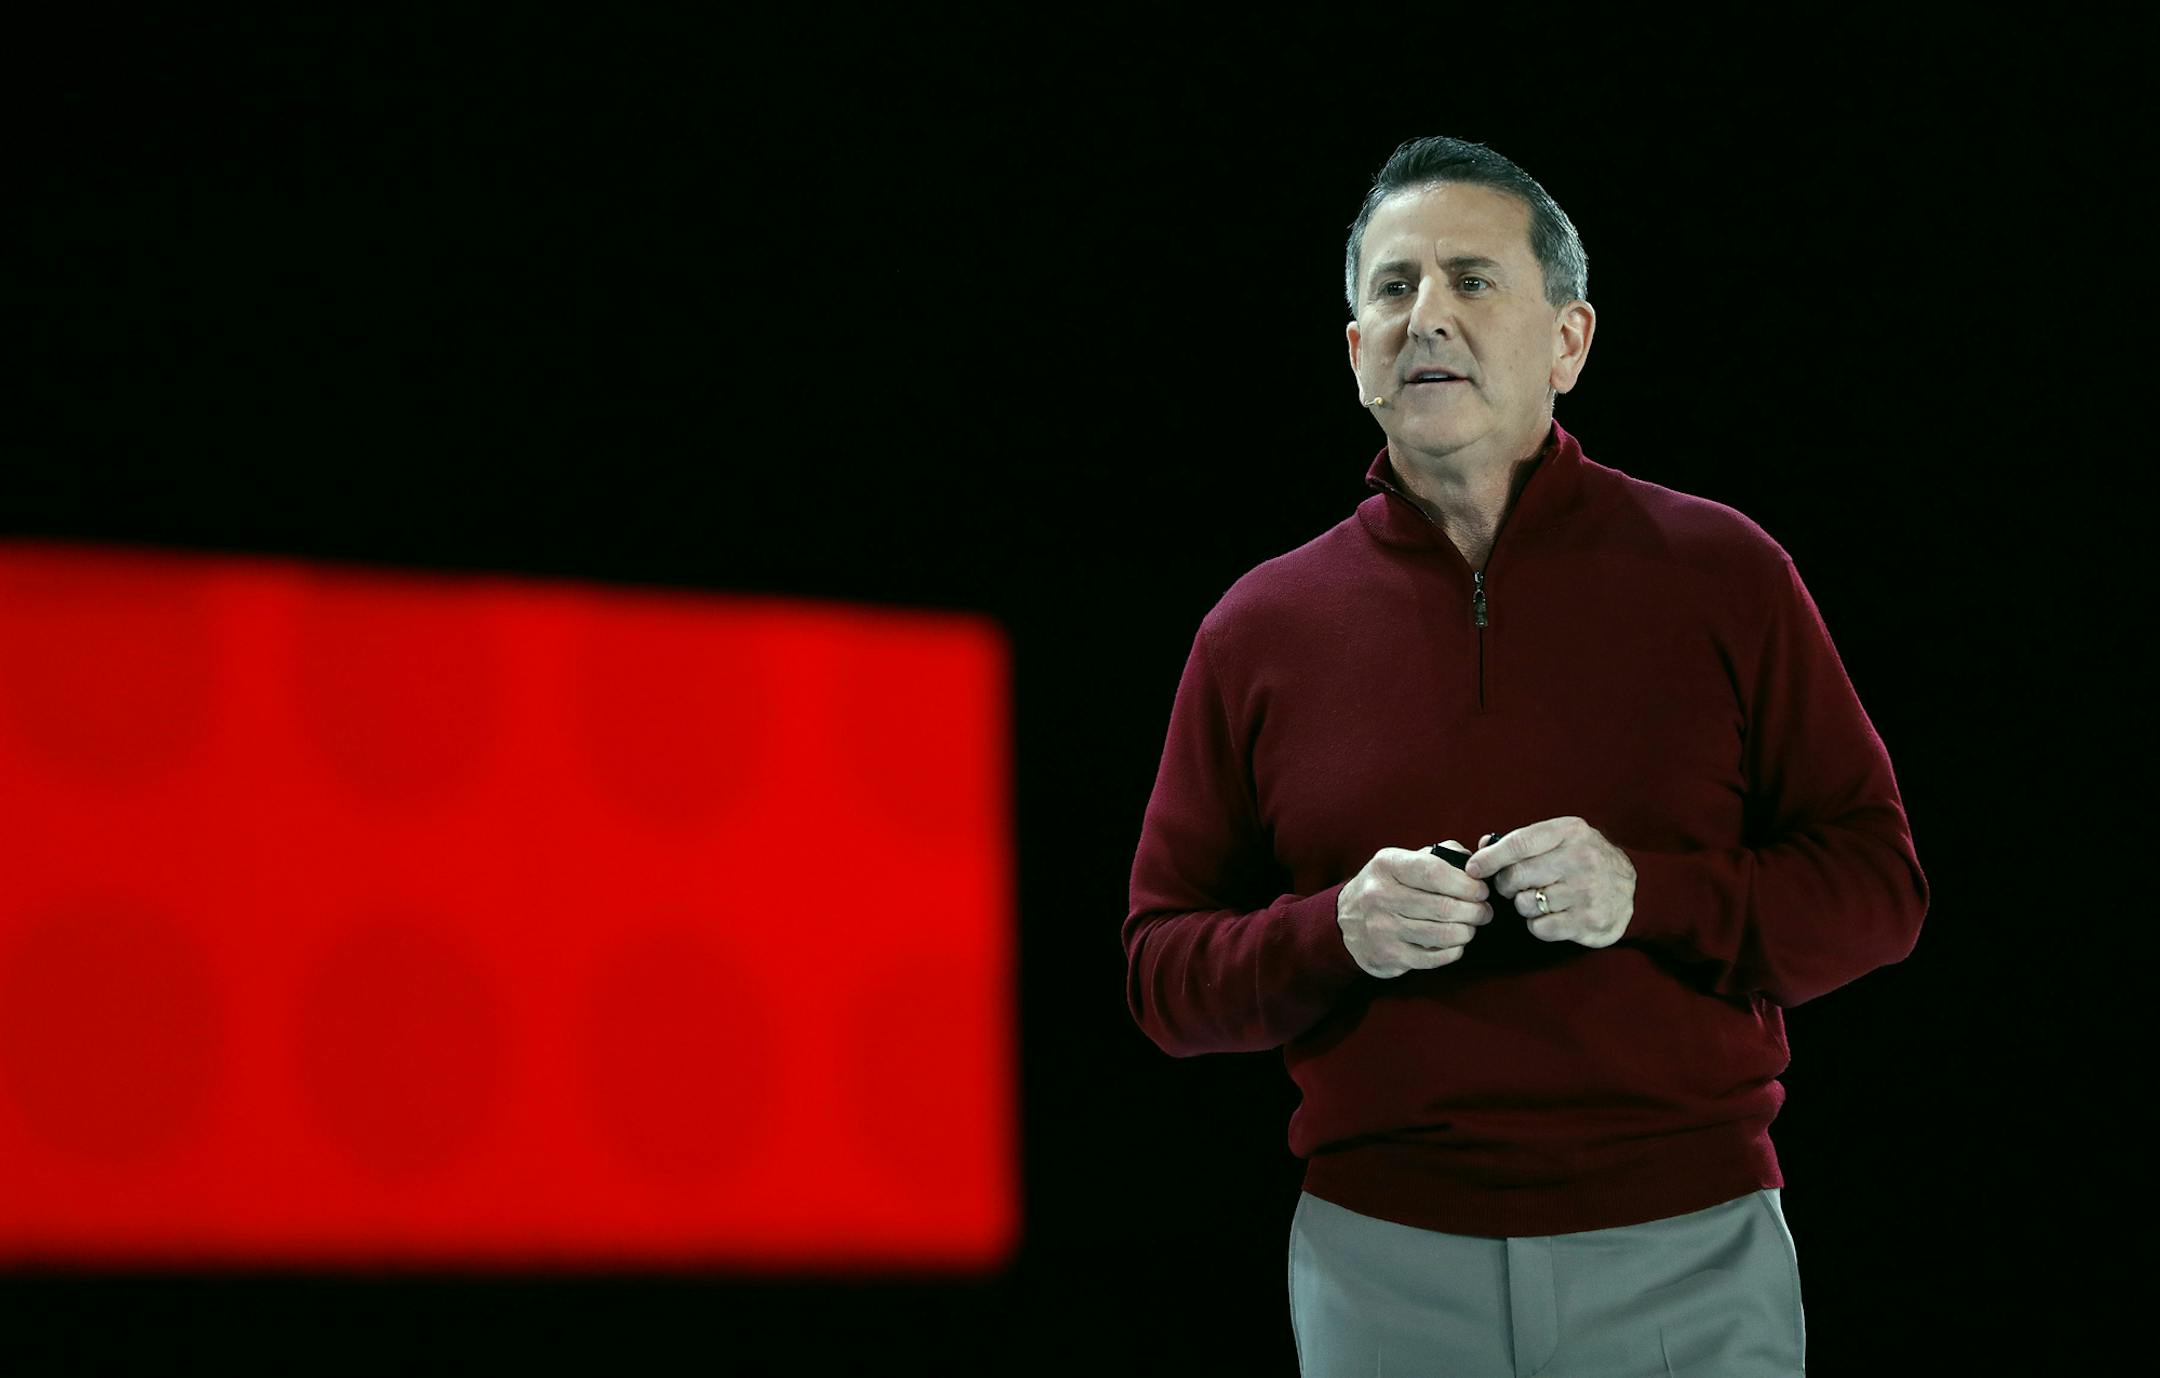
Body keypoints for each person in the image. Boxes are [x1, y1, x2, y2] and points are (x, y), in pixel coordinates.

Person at [1121, 135, 1928, 1377]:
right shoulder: (1256, 630)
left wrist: (1644, 892)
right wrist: (1336, 928)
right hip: (1382, 1262)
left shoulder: (1724, 575)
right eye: (1391, 289)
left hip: (1687, 1249)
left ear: (1570, 340)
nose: (1424, 315)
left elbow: (1879, 892)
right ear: (1354, 356)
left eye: (1471, 279)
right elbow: (1163, 974)